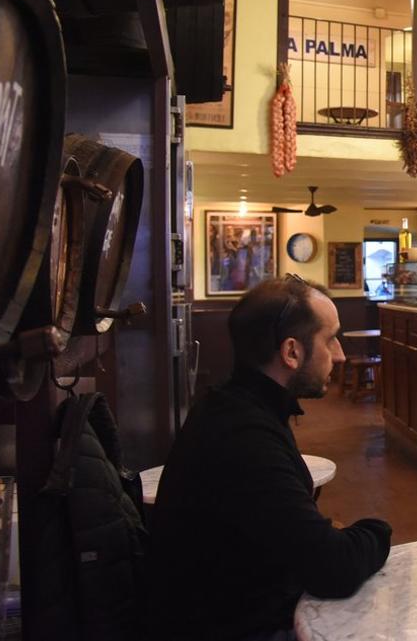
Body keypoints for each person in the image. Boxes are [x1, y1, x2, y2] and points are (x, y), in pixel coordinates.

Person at [148, 275, 392, 641]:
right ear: (291, 352)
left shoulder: (232, 407)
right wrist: (378, 530)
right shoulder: (242, 435)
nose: (339, 354)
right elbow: (333, 568)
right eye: (330, 339)